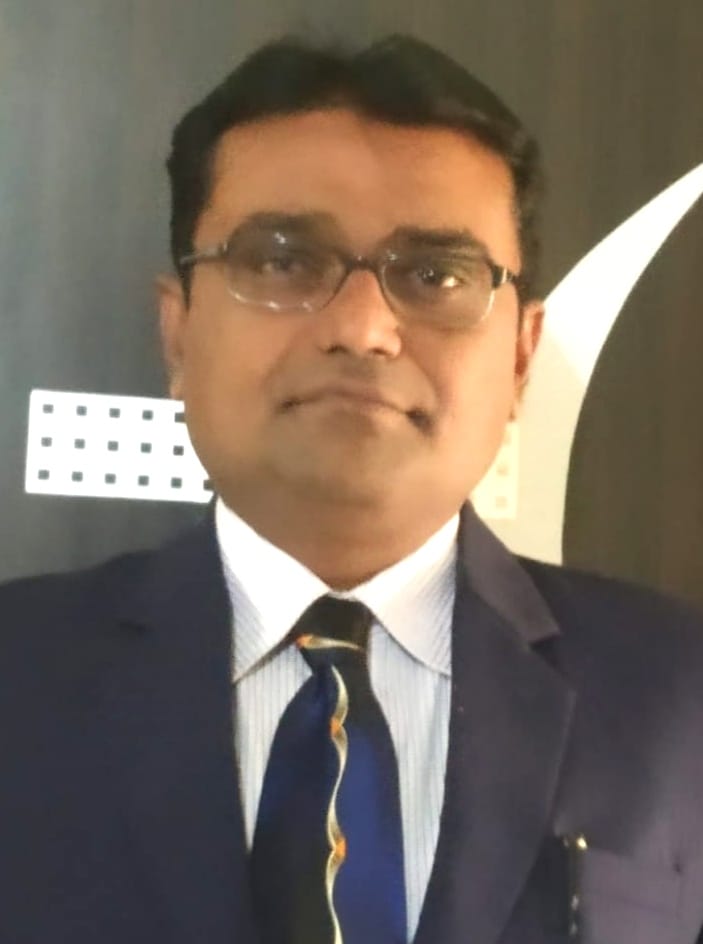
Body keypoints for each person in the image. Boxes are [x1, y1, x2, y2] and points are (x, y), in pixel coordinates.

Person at [2, 34, 703, 944]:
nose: (364, 328)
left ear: (521, 357)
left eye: (436, 275)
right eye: (283, 261)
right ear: (178, 333)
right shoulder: (19, 675)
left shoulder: (680, 699)